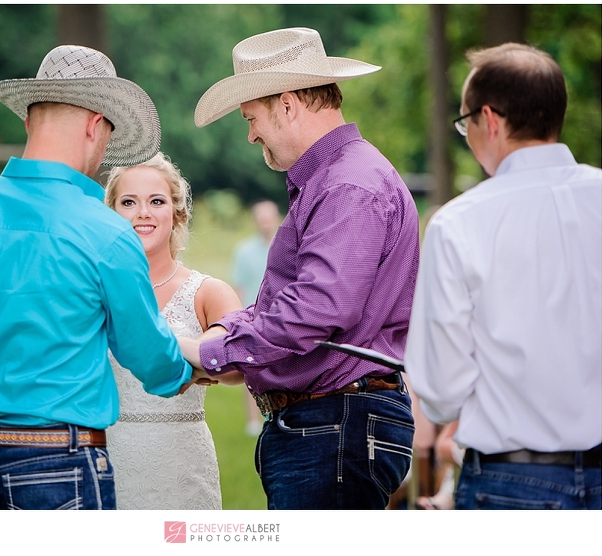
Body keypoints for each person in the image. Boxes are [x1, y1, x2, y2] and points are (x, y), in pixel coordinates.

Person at [0, 45, 193, 510]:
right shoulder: (107, 232)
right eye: (107, 140)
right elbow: (147, 354)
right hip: (62, 463)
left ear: (28, 122)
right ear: (95, 124)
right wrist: (190, 369)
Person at [180, 27, 420, 510]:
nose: (250, 135)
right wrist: (227, 330)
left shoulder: (348, 185)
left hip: (334, 422)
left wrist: (214, 353)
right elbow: (290, 300)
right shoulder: (334, 182)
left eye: (251, 118)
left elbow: (316, 308)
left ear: (287, 106)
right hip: (332, 423)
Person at [404, 43, 602, 510]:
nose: (467, 135)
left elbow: (441, 389)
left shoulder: (458, 223)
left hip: (508, 482)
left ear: (489, 120)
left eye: (465, 122)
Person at [103, 152, 242, 509]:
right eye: (129, 202)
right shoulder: (95, 292)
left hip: (184, 466)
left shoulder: (208, 292)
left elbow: (238, 363)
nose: (143, 213)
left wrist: (180, 350)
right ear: (111, 212)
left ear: (177, 213)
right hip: (110, 458)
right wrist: (196, 360)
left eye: (157, 201)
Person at [230, 200, 282, 436]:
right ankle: (252, 421)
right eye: (261, 218)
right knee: (250, 370)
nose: (265, 223)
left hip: (280, 319)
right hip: (253, 318)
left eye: (268, 217)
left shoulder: (286, 248)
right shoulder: (244, 251)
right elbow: (239, 286)